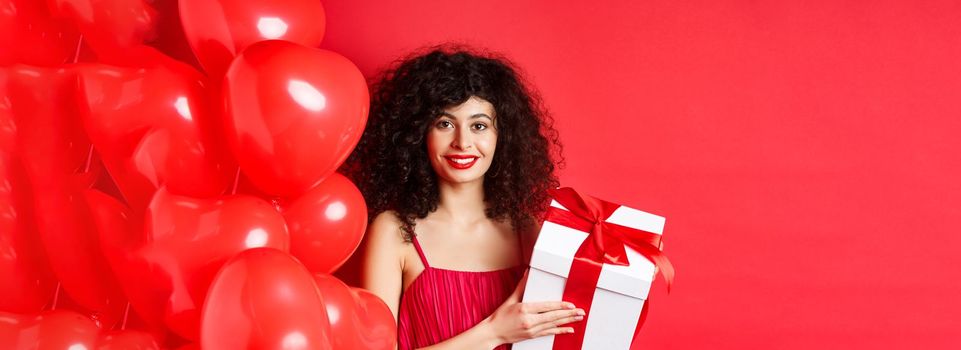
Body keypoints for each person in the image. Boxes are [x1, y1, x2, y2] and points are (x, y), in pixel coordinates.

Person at [341, 44, 583, 350]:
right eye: (444, 124)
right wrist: (495, 333)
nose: (462, 142)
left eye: (479, 125)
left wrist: (629, 271)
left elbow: (570, 325)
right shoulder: (394, 231)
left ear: (502, 137)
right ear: (418, 135)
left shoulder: (526, 230)